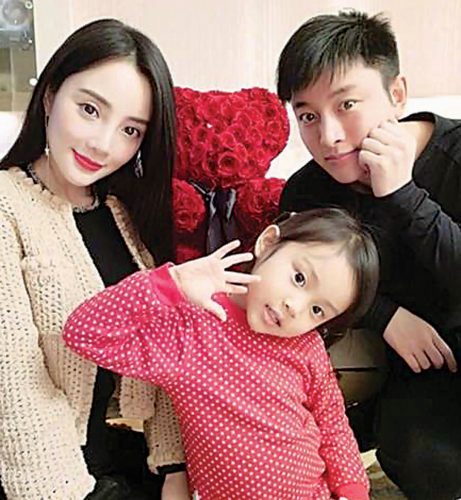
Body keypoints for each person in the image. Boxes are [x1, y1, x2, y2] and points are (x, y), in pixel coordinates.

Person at [63, 208, 379, 500]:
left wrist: (352, 490)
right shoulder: (192, 323)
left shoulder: (306, 345)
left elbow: (331, 420)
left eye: (317, 310)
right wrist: (170, 284)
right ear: (268, 243)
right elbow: (84, 333)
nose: (294, 307)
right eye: (299, 278)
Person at [0, 18, 189, 500]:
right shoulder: (6, 205)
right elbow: (15, 382)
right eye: (89, 109)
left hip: (121, 463)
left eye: (130, 130)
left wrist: (175, 467)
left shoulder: (121, 213)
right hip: (41, 477)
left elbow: (161, 350)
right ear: (49, 96)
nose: (103, 144)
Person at [277, 10, 461, 500]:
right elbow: (294, 281)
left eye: (347, 105)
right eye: (308, 116)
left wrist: (403, 194)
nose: (329, 136)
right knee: (422, 458)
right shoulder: (307, 193)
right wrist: (385, 315)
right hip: (419, 366)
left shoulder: (455, 154)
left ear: (397, 94)